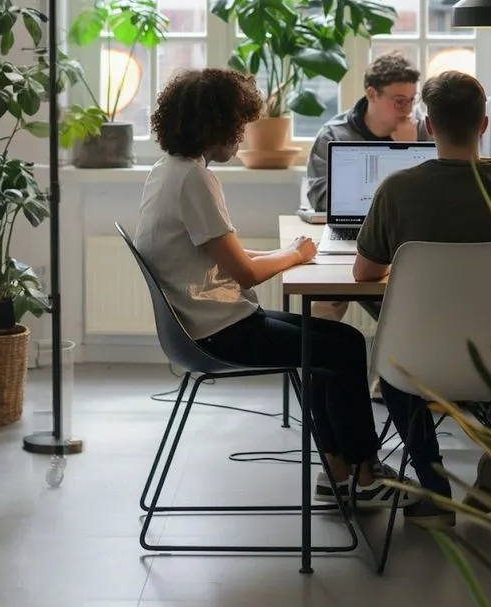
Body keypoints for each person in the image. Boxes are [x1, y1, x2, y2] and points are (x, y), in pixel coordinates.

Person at [135, 68, 397, 506]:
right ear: (214, 125)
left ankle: (338, 466)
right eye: (236, 126)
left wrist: (288, 251)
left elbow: (219, 255)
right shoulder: (195, 181)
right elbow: (247, 275)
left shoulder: (170, 170)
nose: (240, 137)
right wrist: (295, 256)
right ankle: (365, 475)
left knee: (333, 344)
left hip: (208, 323)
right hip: (218, 332)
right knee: (344, 347)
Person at [353, 71, 491, 530]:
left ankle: (434, 494)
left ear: (429, 126)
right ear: (484, 124)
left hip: (418, 361)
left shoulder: (397, 190)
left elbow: (365, 274)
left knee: (395, 378)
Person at [303, 51, 429, 213]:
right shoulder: (333, 136)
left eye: (411, 100)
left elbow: (433, 195)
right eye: (399, 101)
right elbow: (319, 199)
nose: (408, 109)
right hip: (356, 226)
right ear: (372, 94)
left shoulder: (424, 130)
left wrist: (409, 150)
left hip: (408, 229)